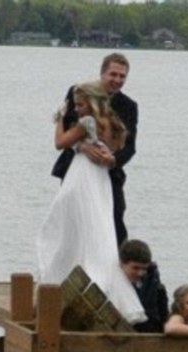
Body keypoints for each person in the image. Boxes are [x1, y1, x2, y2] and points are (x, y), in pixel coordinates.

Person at [37, 80, 145, 325]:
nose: (77, 109)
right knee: (98, 225)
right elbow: (114, 147)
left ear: (92, 102)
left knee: (65, 221)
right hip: (101, 179)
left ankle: (70, 271)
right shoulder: (113, 121)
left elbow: (60, 143)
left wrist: (60, 120)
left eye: (80, 104)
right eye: (75, 105)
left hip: (83, 175)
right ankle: (95, 273)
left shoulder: (87, 122)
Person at [51, 53, 137, 247]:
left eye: (122, 76)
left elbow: (130, 146)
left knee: (114, 220)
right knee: (74, 220)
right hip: (76, 169)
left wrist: (112, 159)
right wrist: (80, 146)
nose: (117, 80)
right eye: (113, 74)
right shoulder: (78, 91)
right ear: (102, 73)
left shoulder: (129, 106)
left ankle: (116, 270)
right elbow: (67, 127)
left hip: (109, 172)